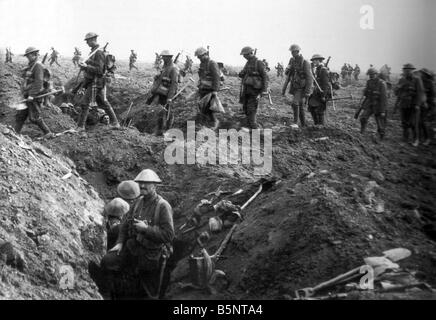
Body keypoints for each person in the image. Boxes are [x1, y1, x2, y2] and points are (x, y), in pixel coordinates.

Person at [99, 169, 175, 299]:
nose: (143, 186)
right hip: (133, 247)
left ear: (155, 185)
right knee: (107, 261)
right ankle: (105, 295)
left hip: (151, 255)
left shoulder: (163, 206)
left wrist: (146, 229)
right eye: (141, 183)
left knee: (149, 293)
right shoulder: (138, 202)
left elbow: (168, 235)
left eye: (147, 183)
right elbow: (124, 224)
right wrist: (120, 243)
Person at [76, 32, 120, 130]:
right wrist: (85, 65)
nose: (87, 43)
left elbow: (100, 71)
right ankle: (115, 123)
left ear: (93, 39)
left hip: (96, 81)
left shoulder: (99, 52)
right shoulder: (94, 52)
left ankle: (80, 126)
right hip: (96, 81)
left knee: (85, 103)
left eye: (88, 41)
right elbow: (95, 65)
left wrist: (87, 66)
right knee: (104, 102)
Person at [15, 47, 53, 138]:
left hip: (34, 96)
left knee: (34, 117)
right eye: (27, 56)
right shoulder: (31, 65)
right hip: (27, 95)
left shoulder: (38, 66)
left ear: (35, 55)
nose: (28, 57)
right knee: (20, 115)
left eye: (29, 56)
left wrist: (32, 95)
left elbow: (39, 82)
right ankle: (15, 133)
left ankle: (48, 133)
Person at [147, 50, 179, 135]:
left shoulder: (174, 68)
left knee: (169, 113)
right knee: (160, 111)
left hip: (168, 95)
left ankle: (167, 131)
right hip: (161, 93)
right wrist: (158, 76)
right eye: (162, 57)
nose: (162, 58)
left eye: (164, 57)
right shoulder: (165, 67)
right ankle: (159, 130)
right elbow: (163, 78)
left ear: (169, 57)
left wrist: (170, 97)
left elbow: (174, 84)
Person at [282, 44, 312, 127]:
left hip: (301, 88)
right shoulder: (292, 61)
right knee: (300, 106)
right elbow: (287, 73)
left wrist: (307, 91)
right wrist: (287, 70)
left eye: (294, 52)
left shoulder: (305, 62)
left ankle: (295, 122)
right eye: (291, 52)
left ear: (298, 52)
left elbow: (309, 78)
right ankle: (303, 124)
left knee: (294, 103)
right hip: (294, 86)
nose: (292, 53)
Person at [394, 63, 425, 147]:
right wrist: (398, 87)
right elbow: (396, 93)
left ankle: (416, 139)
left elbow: (420, 93)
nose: (407, 71)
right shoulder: (402, 80)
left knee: (413, 123)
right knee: (404, 123)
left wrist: (417, 105)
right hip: (404, 105)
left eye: (409, 70)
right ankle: (405, 139)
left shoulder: (417, 79)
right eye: (405, 70)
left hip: (413, 105)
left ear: (412, 70)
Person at [239, 46, 269, 130]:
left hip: (255, 90)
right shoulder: (248, 63)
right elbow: (244, 72)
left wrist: (264, 90)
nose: (244, 57)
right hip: (247, 89)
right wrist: (241, 73)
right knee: (245, 107)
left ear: (250, 53)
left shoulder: (258, 63)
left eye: (245, 55)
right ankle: (249, 125)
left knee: (251, 109)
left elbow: (265, 77)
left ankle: (255, 127)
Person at [195, 47, 222, 129]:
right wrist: (199, 86)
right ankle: (205, 122)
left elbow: (216, 77)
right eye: (198, 57)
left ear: (205, 54)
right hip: (203, 88)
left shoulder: (212, 63)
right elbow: (202, 77)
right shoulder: (202, 64)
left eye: (200, 57)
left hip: (210, 89)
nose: (199, 58)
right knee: (202, 106)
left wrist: (215, 90)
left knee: (210, 107)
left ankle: (214, 122)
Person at [359, 67, 388, 140]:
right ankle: (362, 132)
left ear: (376, 74)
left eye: (372, 74)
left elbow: (384, 98)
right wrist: (365, 91)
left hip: (378, 106)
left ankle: (381, 136)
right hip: (370, 104)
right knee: (363, 117)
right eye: (370, 75)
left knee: (380, 123)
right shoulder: (369, 82)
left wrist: (383, 111)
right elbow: (367, 94)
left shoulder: (382, 83)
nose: (371, 76)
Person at [308, 54, 330, 126]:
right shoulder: (317, 69)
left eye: (315, 60)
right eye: (313, 60)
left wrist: (323, 96)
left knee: (320, 111)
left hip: (322, 94)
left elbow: (325, 84)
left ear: (319, 60)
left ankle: (321, 126)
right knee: (311, 107)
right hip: (316, 92)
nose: (313, 62)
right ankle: (316, 124)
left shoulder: (323, 70)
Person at [417, 68, 435, 146]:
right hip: (420, 104)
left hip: (427, 105)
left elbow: (433, 96)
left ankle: (428, 138)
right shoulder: (419, 82)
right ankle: (420, 138)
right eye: (421, 73)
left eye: (423, 74)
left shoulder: (430, 83)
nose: (421, 75)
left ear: (426, 75)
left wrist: (428, 103)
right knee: (418, 122)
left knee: (423, 122)